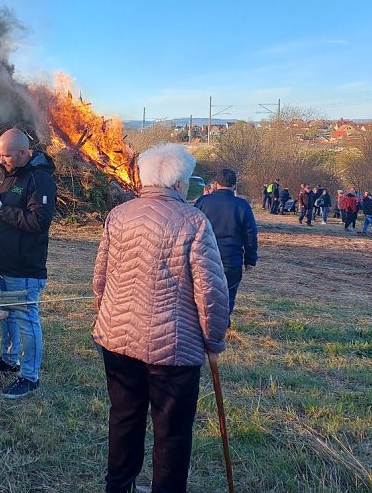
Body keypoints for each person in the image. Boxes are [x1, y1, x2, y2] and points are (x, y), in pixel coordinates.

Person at [93, 143, 229, 493]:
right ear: (180, 184)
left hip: (118, 339)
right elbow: (211, 291)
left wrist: (109, 317)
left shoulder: (118, 215)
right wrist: (214, 340)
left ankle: (118, 486)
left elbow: (100, 279)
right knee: (172, 430)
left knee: (124, 417)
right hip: (174, 348)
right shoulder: (194, 221)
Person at [0, 128, 56, 400]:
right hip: (1, 261)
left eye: (6, 155)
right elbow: (2, 201)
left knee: (27, 318)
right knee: (6, 314)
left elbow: (39, 221)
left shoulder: (40, 179)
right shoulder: (7, 174)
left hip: (24, 266)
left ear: (23, 152)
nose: (1, 159)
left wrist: (1, 212)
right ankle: (9, 360)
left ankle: (29, 377)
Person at [194, 168, 258, 322]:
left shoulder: (203, 202)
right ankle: (221, 326)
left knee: (202, 294)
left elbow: (191, 228)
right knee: (227, 295)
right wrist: (250, 259)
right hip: (231, 260)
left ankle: (203, 325)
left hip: (204, 258)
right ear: (234, 186)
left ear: (216, 184)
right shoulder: (242, 205)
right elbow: (250, 234)